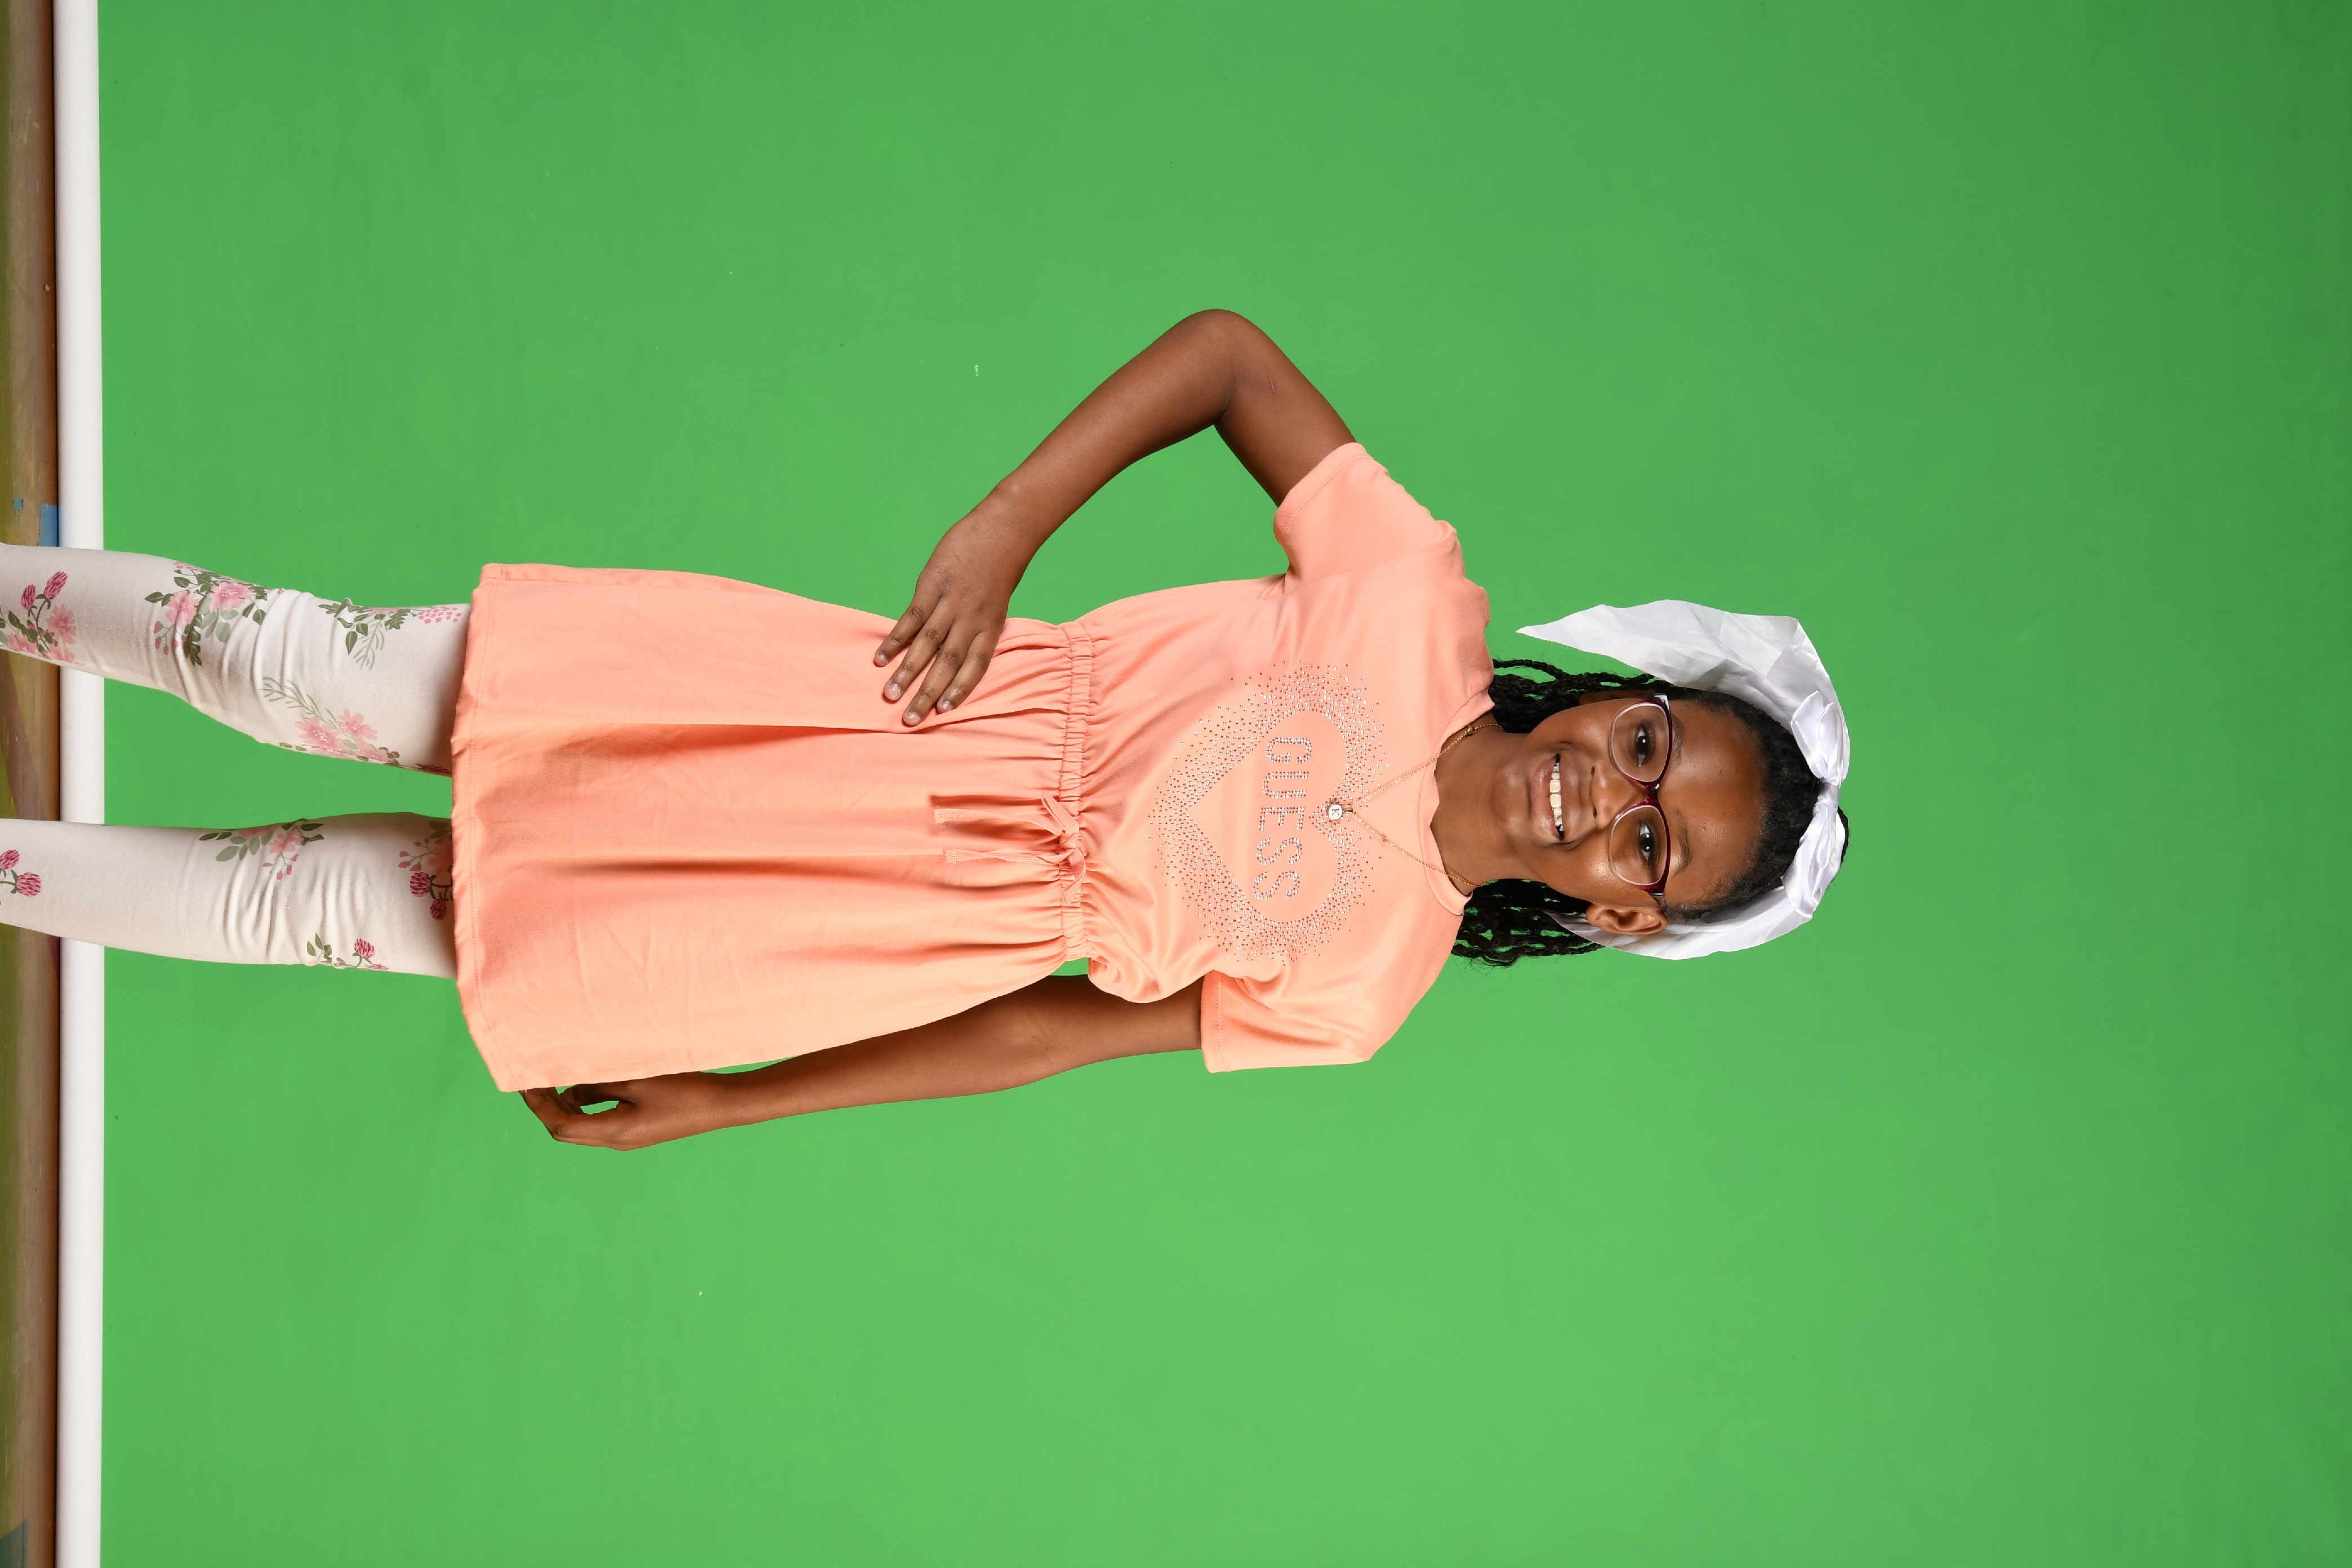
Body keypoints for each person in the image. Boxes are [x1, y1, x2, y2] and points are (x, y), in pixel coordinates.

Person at [0, 311, 1849, 1150]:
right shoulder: (1409, 592)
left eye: (1652, 842)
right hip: (857, 705)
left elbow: (1041, 1033)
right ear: (1626, 693)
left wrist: (741, 1095)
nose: (1611, 797)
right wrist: (1006, 526)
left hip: (828, 935)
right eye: (1649, 748)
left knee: (305, 908)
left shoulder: (1364, 991)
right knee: (298, 664)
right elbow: (1226, 359)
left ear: (1624, 912)